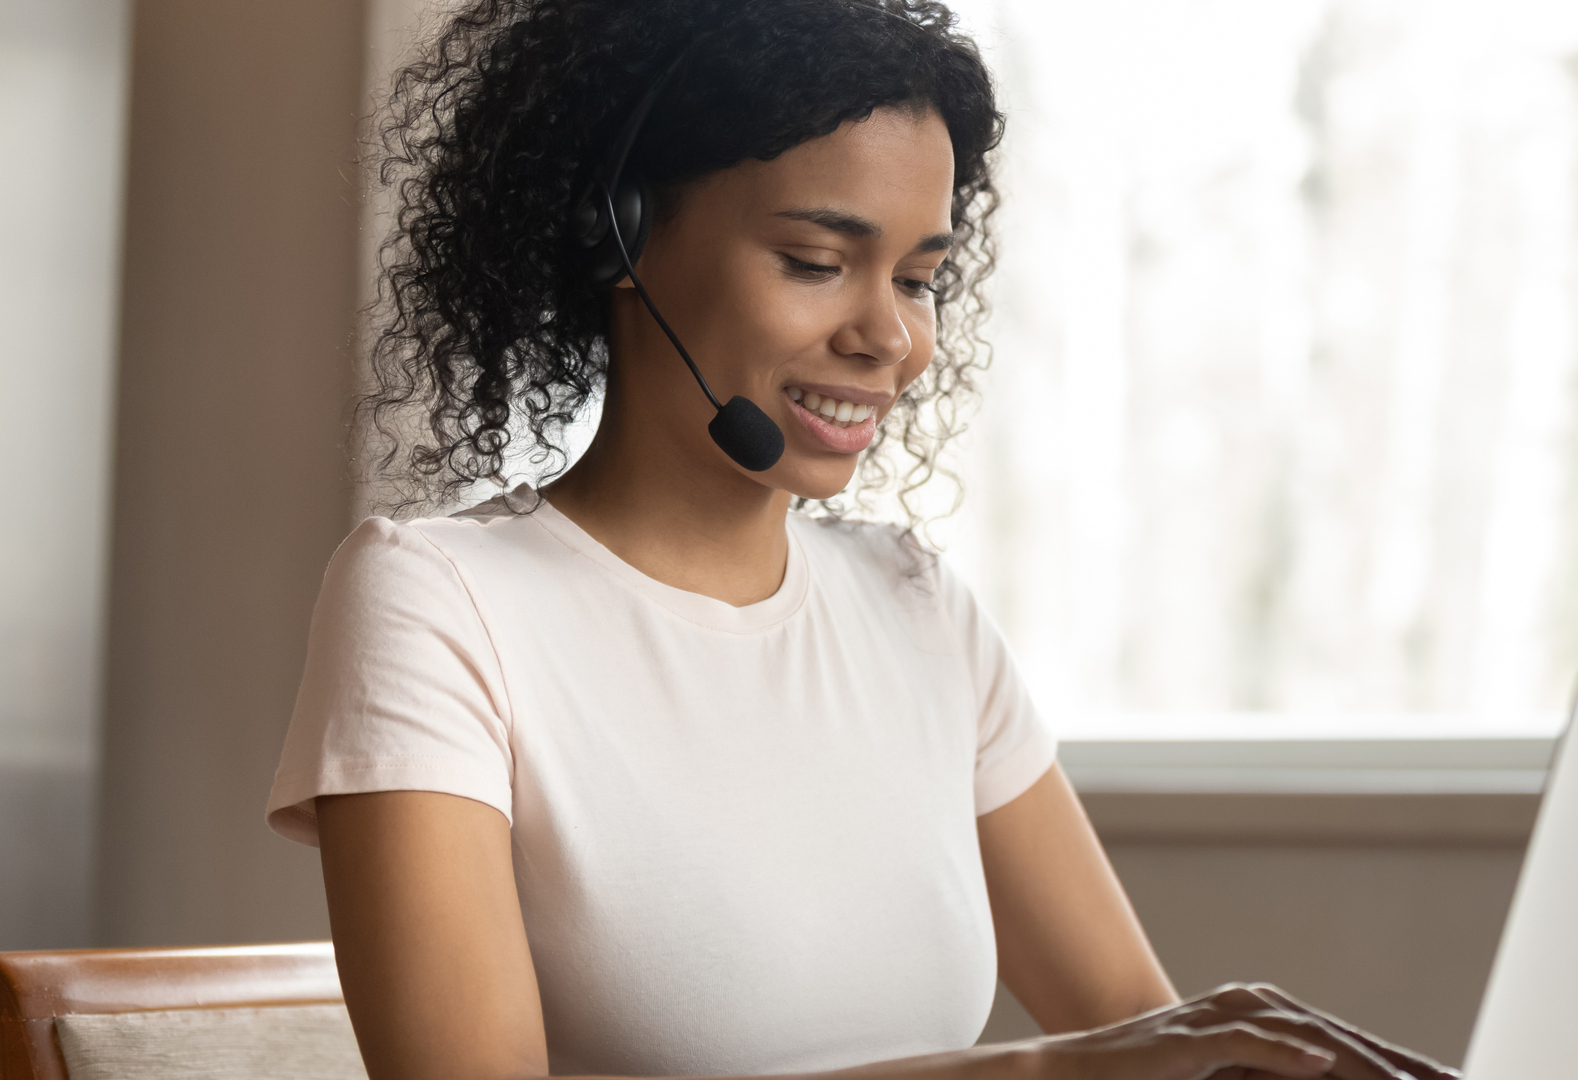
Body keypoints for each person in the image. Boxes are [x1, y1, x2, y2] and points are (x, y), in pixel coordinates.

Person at [266, 2, 1461, 1079]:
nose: (889, 337)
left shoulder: (914, 609)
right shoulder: (439, 602)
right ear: (615, 238)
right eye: (817, 263)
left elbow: (1145, 1036)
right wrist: (1030, 1074)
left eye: (921, 277)